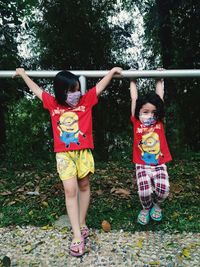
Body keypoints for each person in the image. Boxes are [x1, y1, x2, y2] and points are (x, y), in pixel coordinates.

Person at [14, 66, 122, 256]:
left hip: (83, 153)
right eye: (71, 90)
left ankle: (81, 223)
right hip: (64, 155)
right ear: (61, 92)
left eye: (77, 89)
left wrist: (112, 72)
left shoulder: (85, 101)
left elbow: (99, 87)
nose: (76, 93)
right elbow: (37, 90)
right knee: (70, 191)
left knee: (84, 185)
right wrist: (23, 75)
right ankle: (77, 235)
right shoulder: (54, 105)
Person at [130, 70, 172, 225]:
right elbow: (134, 98)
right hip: (142, 163)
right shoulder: (136, 122)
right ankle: (146, 208)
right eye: (145, 111)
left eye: (153, 112)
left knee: (163, 190)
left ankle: (156, 204)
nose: (149, 115)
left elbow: (160, 98)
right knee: (144, 190)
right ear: (139, 112)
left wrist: (159, 79)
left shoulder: (159, 122)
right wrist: (132, 80)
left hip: (159, 162)